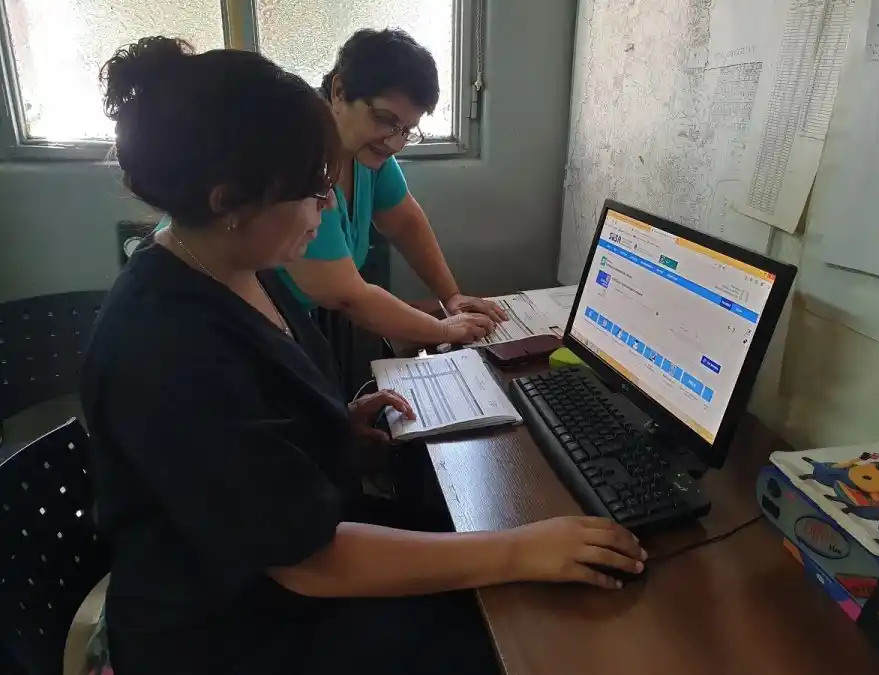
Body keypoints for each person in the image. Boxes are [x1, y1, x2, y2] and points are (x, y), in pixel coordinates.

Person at [82, 36, 646, 675]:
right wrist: (518, 551)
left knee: (485, 551)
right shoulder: (167, 348)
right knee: (525, 633)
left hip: (290, 557)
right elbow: (308, 562)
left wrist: (334, 430)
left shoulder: (239, 266)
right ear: (229, 201)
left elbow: (254, 432)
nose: (329, 208)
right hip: (230, 628)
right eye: (313, 191)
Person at [280, 28, 508, 346]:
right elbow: (346, 295)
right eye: (385, 120)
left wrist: (451, 297)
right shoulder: (301, 155)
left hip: (312, 318)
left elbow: (405, 222)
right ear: (340, 91)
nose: (396, 143)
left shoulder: (366, 154)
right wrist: (445, 330)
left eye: (407, 130)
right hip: (266, 327)